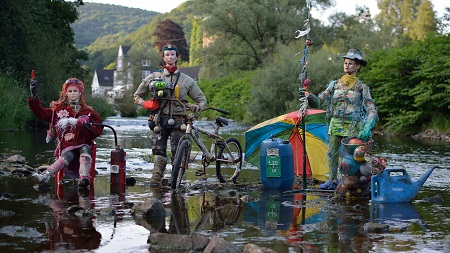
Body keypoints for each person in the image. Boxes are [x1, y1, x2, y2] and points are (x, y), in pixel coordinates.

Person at [300, 49, 378, 190]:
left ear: (358, 66)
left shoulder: (362, 87)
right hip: (335, 123)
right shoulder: (334, 84)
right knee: (333, 153)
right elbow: (319, 102)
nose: (347, 66)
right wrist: (308, 96)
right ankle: (331, 180)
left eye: (351, 63)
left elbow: (371, 109)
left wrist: (367, 126)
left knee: (351, 157)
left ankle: (349, 182)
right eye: (345, 63)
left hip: (353, 126)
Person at [133, 44, 207, 187]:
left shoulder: (187, 80)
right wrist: (147, 104)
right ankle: (156, 180)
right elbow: (136, 96)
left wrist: (197, 108)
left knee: (177, 152)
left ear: (177, 57)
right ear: (163, 57)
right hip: (158, 120)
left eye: (173, 54)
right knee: (158, 151)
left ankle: (177, 181)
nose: (170, 57)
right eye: (167, 54)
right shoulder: (154, 77)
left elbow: (202, 99)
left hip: (179, 121)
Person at [28, 77, 104, 188]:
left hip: (84, 145)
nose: (72, 94)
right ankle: (46, 175)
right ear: (65, 93)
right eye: (70, 91)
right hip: (67, 147)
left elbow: (98, 130)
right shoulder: (58, 110)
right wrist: (34, 97)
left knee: (85, 148)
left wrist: (86, 126)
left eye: (75, 91)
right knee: (69, 154)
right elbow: (41, 113)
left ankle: (84, 178)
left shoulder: (89, 112)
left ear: (80, 93)